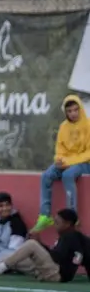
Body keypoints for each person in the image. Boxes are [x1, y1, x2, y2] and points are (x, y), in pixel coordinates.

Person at [0, 209, 89, 283]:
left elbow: (63, 257)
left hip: (56, 274)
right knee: (14, 255)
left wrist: (40, 244)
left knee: (31, 244)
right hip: (49, 271)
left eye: (58, 222)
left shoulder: (71, 236)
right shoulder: (71, 237)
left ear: (68, 224)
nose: (55, 225)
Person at [32, 95, 90, 233]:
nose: (73, 113)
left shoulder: (88, 125)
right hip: (66, 163)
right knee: (47, 175)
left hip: (84, 163)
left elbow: (88, 153)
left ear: (80, 109)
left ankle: (71, 217)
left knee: (68, 176)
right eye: (69, 111)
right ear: (65, 112)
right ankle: (45, 216)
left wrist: (69, 162)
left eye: (76, 110)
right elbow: (60, 149)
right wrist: (59, 160)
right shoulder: (63, 127)